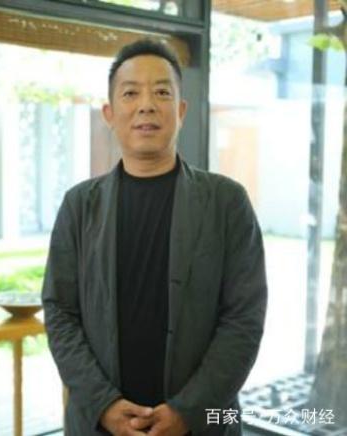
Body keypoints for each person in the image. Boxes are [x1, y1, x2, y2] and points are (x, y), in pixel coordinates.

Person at [42, 38, 267, 436]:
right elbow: (61, 312)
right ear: (110, 113)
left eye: (162, 92)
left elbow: (244, 318)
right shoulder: (79, 206)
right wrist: (103, 404)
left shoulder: (226, 202)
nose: (146, 105)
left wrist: (188, 411)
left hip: (202, 424)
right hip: (99, 424)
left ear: (181, 111)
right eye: (131, 93)